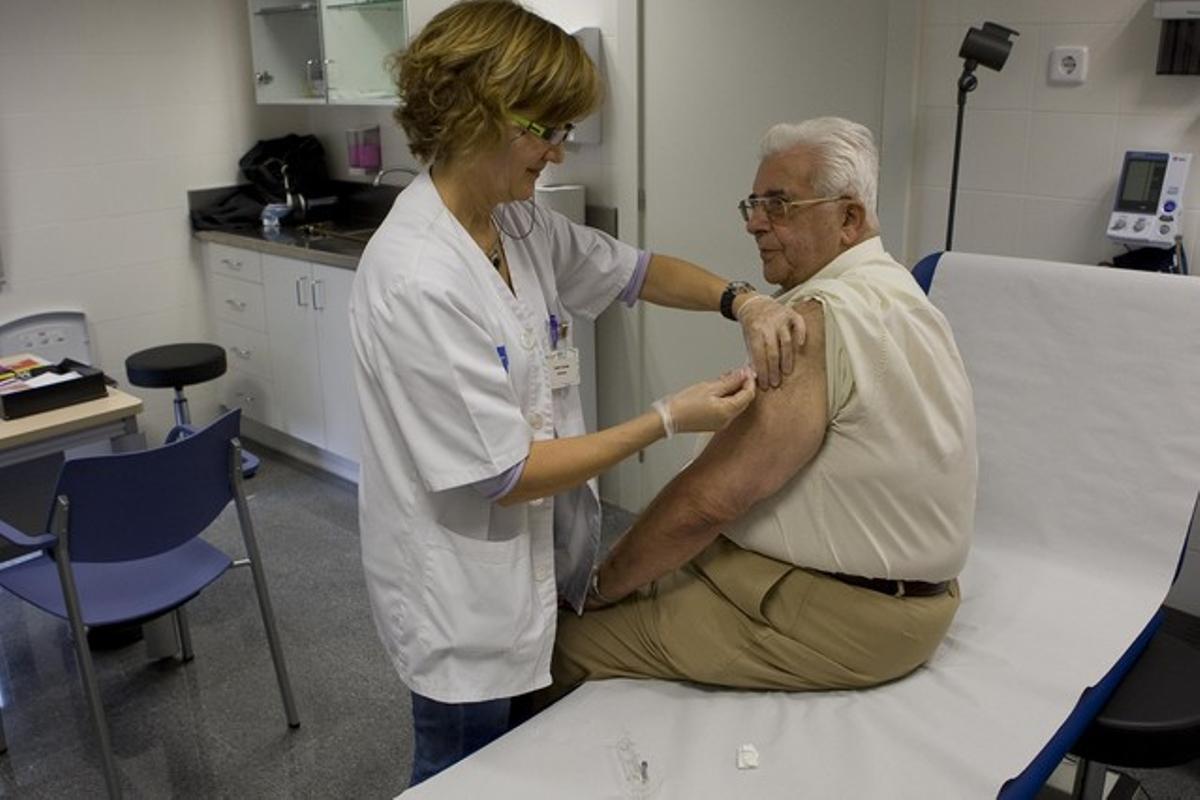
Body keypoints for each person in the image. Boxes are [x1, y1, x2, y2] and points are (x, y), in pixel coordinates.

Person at [347, 1, 807, 785]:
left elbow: (636, 271)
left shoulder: (515, 224)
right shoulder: (419, 278)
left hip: (539, 575)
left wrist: (745, 300)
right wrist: (668, 419)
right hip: (462, 600)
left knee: (530, 765)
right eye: (545, 128)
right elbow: (505, 474)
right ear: (472, 111)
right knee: (463, 773)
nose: (559, 152)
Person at [549, 117, 978, 698]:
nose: (755, 223)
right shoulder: (898, 289)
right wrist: (742, 300)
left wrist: (601, 587)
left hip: (842, 614)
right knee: (664, 563)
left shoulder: (816, 322)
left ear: (848, 218)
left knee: (554, 646)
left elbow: (708, 502)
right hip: (900, 597)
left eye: (779, 205)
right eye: (753, 203)